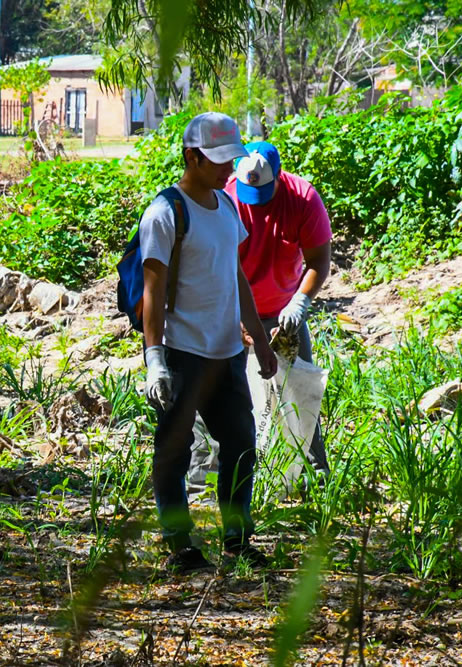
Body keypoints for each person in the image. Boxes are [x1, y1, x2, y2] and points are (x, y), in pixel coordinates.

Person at [139, 112, 277, 573]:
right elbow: (153, 291)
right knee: (174, 451)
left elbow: (233, 275)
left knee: (240, 446)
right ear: (190, 156)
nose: (226, 169)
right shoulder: (165, 213)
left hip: (226, 354)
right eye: (216, 160)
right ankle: (179, 543)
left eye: (229, 159)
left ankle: (237, 540)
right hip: (182, 351)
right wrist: (154, 359)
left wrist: (258, 339)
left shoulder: (228, 206)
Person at [227, 141, 332, 475]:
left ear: (279, 176)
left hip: (285, 312)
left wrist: (299, 303)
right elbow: (219, 267)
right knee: (229, 395)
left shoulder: (302, 198)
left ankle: (315, 475)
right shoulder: (227, 200)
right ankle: (226, 476)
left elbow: (319, 260)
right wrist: (237, 317)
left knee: (300, 394)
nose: (254, 204)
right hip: (235, 308)